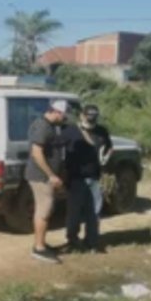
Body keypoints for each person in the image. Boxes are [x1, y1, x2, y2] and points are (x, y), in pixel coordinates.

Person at [61, 104, 112, 253]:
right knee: (74, 212)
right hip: (76, 178)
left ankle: (92, 242)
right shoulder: (70, 131)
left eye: (94, 117)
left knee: (94, 212)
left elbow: (109, 147)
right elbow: (56, 146)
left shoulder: (102, 131)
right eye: (89, 117)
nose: (91, 120)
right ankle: (72, 240)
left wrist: (106, 159)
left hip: (95, 178)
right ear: (82, 116)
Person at [25, 99, 68, 264]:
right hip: (41, 177)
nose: (64, 118)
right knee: (44, 211)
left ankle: (41, 243)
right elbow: (37, 153)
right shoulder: (43, 127)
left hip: (42, 176)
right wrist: (51, 175)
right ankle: (39, 249)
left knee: (44, 211)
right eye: (63, 115)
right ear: (56, 112)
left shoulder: (48, 125)